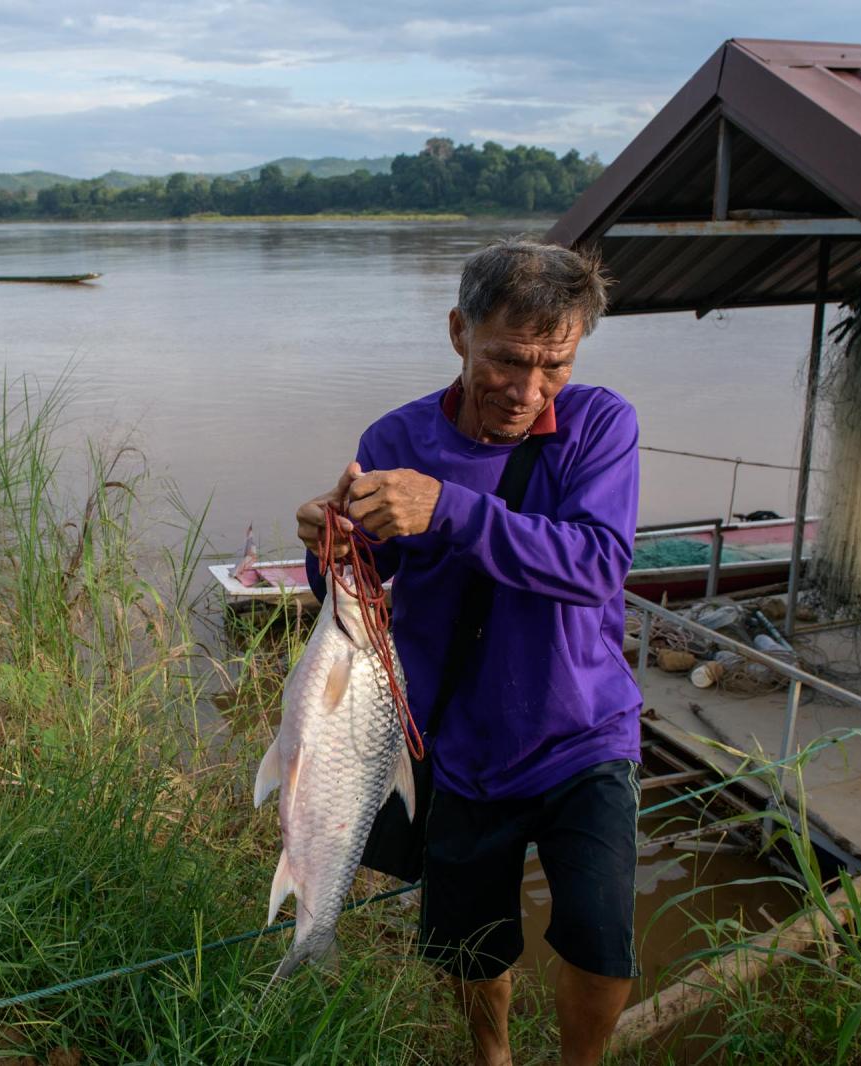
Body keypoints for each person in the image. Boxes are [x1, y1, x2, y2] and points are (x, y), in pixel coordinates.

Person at [295, 238, 640, 1066]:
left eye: (553, 364)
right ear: (459, 332)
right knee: (472, 948)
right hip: (459, 745)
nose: (527, 390)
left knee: (599, 939)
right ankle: (493, 1060)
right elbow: (359, 598)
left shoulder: (601, 425)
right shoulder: (397, 437)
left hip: (582, 735)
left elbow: (596, 564)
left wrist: (445, 507)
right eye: (508, 360)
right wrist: (327, 548)